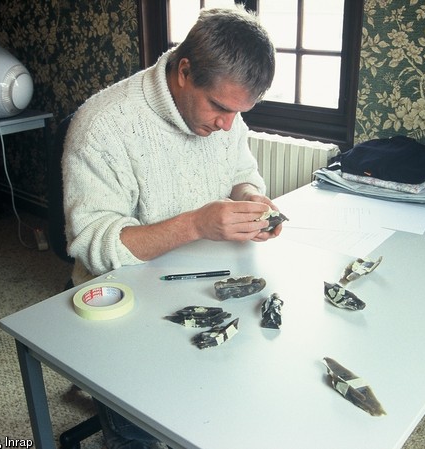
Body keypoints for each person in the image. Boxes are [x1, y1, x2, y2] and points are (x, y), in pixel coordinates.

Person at [62, 6, 278, 448]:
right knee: (139, 434)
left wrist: (251, 199)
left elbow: (242, 172)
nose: (226, 125)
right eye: (220, 107)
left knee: (243, 395)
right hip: (124, 306)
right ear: (183, 71)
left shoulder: (225, 113)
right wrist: (196, 224)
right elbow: (92, 245)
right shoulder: (102, 126)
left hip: (208, 286)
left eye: (240, 112)